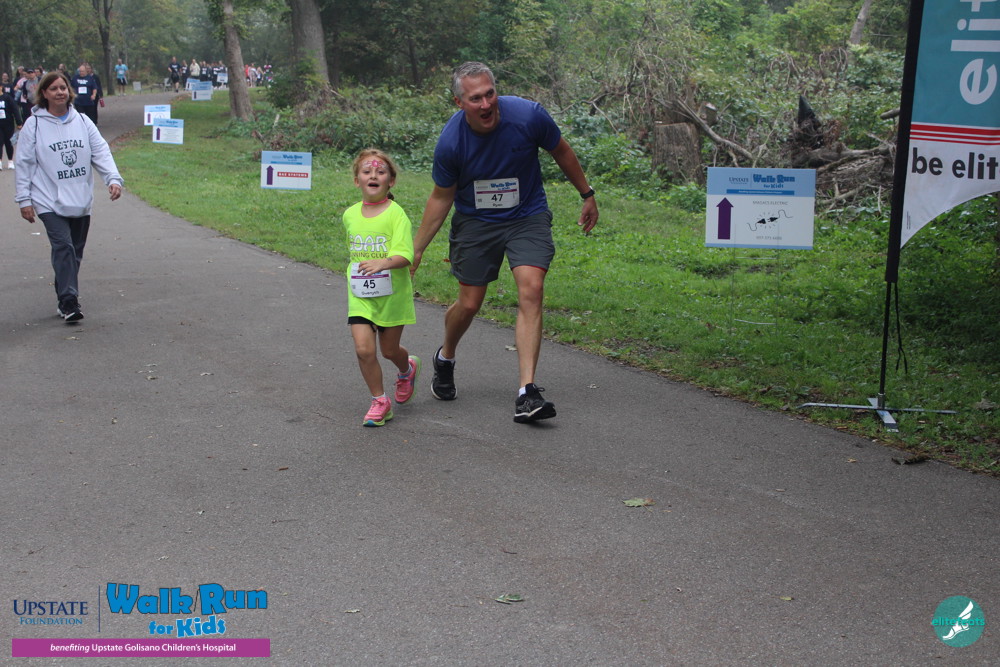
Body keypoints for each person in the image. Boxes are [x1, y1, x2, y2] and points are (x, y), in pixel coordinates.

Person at [411, 61, 599, 423]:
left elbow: (561, 150)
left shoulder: (528, 116)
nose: (486, 104)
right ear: (459, 102)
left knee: (532, 288)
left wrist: (586, 194)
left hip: (526, 215)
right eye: (475, 98)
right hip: (476, 221)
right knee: (469, 303)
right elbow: (441, 196)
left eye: (490, 94)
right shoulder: (452, 142)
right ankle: (445, 356)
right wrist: (417, 248)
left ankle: (527, 392)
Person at [14, 71, 124, 323]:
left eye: (63, 87)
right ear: (44, 93)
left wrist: (113, 179)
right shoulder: (34, 124)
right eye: (53, 88)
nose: (59, 92)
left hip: (80, 199)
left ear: (69, 91)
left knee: (74, 253)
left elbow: (100, 151)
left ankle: (64, 293)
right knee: (63, 246)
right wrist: (24, 199)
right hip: (47, 199)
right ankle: (68, 301)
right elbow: (24, 163)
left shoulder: (83, 121)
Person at [342, 149, 419, 427]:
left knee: (389, 351)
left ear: (391, 181)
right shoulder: (350, 215)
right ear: (357, 180)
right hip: (360, 295)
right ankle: (380, 401)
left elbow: (406, 255)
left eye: (380, 171)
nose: (373, 175)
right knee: (364, 349)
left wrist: (383, 263)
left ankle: (406, 368)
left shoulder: (397, 215)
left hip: (391, 295)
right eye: (367, 171)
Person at [0, 84, 17, 169]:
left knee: (8, 143)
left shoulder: (7, 98)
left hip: (8, 124)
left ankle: (10, 161)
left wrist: (19, 122)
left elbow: (15, 109)